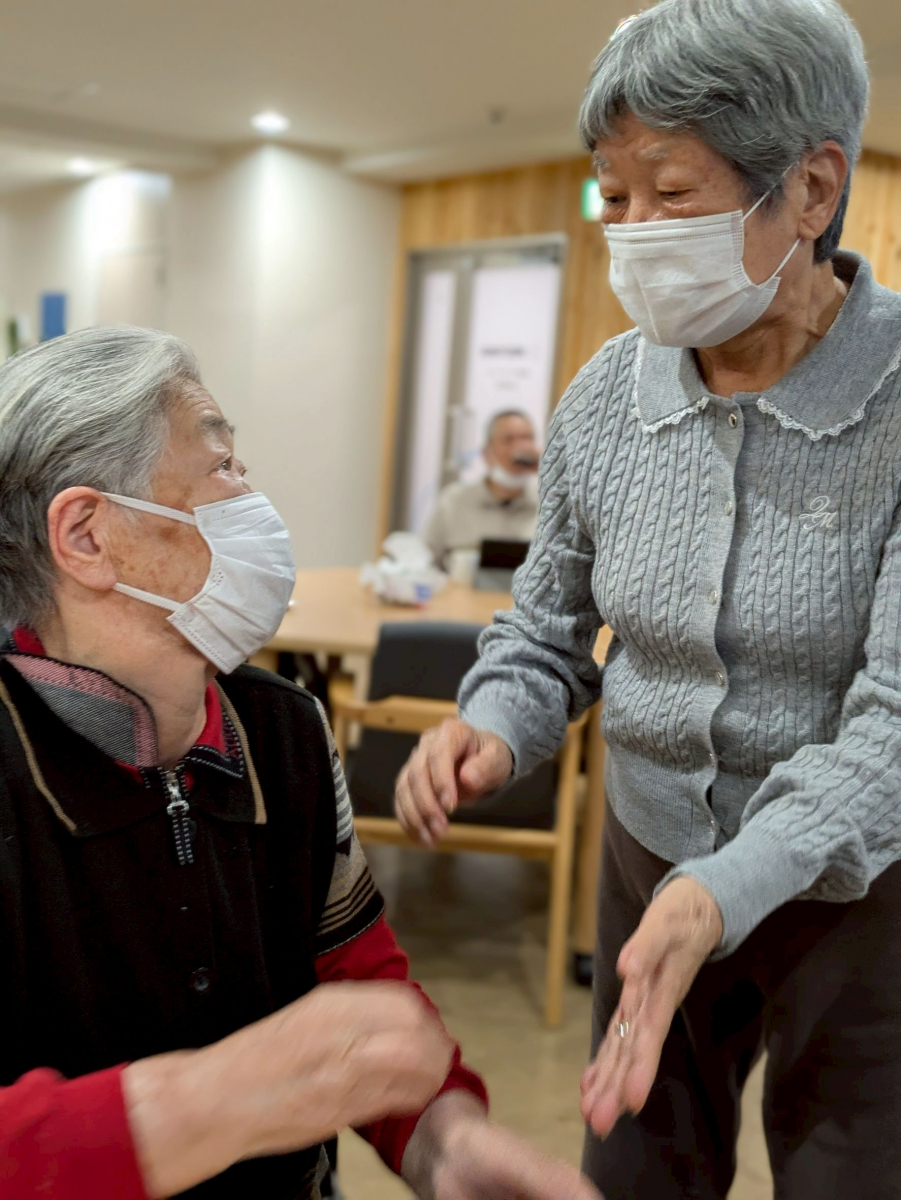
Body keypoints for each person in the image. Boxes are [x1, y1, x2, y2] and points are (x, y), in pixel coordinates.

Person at [393, 1, 901, 1196]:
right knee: (637, 1164)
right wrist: (492, 723)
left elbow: (894, 722)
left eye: (669, 194)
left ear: (810, 188)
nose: (628, 233)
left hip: (858, 884)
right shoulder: (603, 400)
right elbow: (546, 630)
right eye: (610, 197)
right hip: (649, 849)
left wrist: (727, 889)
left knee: (852, 1170)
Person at [0, 327, 599, 1200]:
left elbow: (350, 970)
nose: (255, 500)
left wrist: (442, 1138)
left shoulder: (285, 730)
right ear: (87, 536)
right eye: (222, 468)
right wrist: (207, 1103)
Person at [424, 409, 540, 568]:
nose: (520, 448)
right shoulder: (453, 501)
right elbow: (427, 564)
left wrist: (551, 472)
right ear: (486, 453)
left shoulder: (551, 503)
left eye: (527, 438)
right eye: (508, 440)